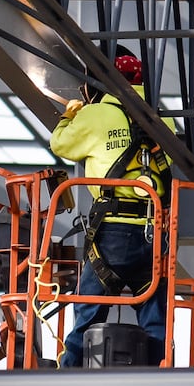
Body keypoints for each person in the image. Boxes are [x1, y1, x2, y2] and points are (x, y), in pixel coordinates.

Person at [48, 46, 173, 368]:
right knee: (155, 316)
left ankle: (65, 380)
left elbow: (61, 145)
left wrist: (70, 115)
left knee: (88, 310)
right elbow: (171, 159)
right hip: (153, 231)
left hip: (112, 231)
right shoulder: (162, 116)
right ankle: (159, 378)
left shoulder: (95, 114)